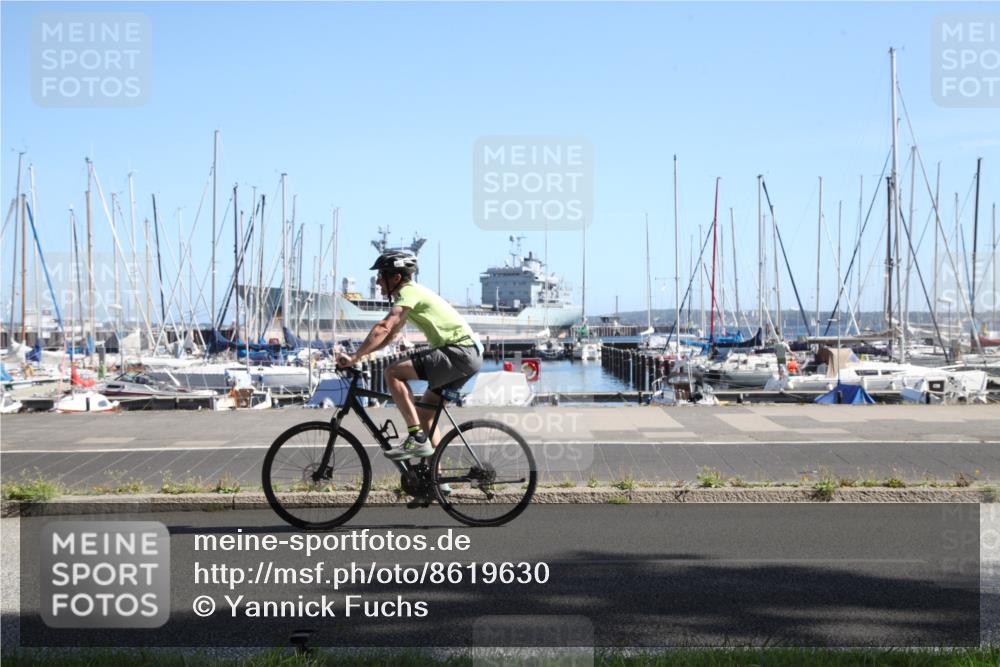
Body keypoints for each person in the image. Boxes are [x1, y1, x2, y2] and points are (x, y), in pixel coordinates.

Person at [336, 250, 482, 464]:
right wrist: (363, 355)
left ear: (396, 277)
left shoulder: (408, 292)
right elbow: (392, 334)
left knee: (392, 372)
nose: (377, 281)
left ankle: (415, 437)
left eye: (381, 275)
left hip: (458, 351)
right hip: (469, 355)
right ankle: (437, 483)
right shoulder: (410, 295)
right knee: (425, 416)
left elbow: (385, 326)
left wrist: (355, 356)